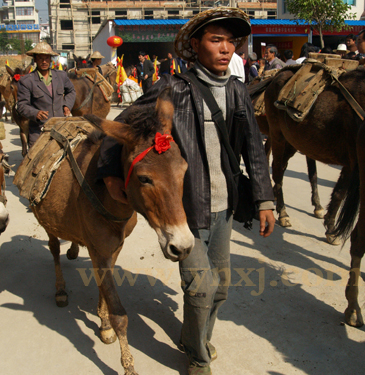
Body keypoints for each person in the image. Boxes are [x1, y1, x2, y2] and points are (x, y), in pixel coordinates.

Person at [97, 7, 275, 375]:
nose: (226, 48)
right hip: (184, 209)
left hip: (225, 207)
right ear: (196, 46)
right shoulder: (172, 89)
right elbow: (121, 127)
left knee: (221, 286)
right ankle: (197, 356)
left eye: (231, 41)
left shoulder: (239, 91)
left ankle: (194, 337)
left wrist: (265, 199)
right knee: (200, 288)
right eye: (216, 40)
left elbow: (254, 149)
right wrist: (109, 174)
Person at [17, 42, 76, 148]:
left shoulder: (61, 76)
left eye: (47, 58)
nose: (44, 61)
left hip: (61, 128)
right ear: (34, 59)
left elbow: (71, 91)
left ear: (51, 59)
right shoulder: (26, 81)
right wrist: (35, 113)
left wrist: (67, 105)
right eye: (40, 58)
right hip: (39, 131)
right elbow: (21, 105)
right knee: (35, 162)